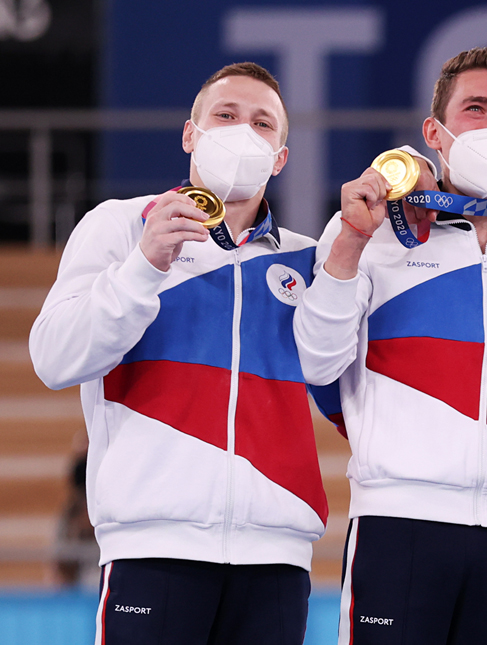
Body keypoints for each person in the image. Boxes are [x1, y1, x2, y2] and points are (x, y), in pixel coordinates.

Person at [30, 62, 327, 645]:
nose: (243, 132)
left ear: (281, 157)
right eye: (226, 115)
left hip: (277, 561)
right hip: (151, 549)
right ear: (190, 134)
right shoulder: (120, 225)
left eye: (263, 123)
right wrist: (142, 267)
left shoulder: (310, 261)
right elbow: (53, 358)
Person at [292, 46, 487, 644]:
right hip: (397, 529)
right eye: (476, 108)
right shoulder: (370, 231)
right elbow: (316, 361)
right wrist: (350, 240)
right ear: (434, 133)